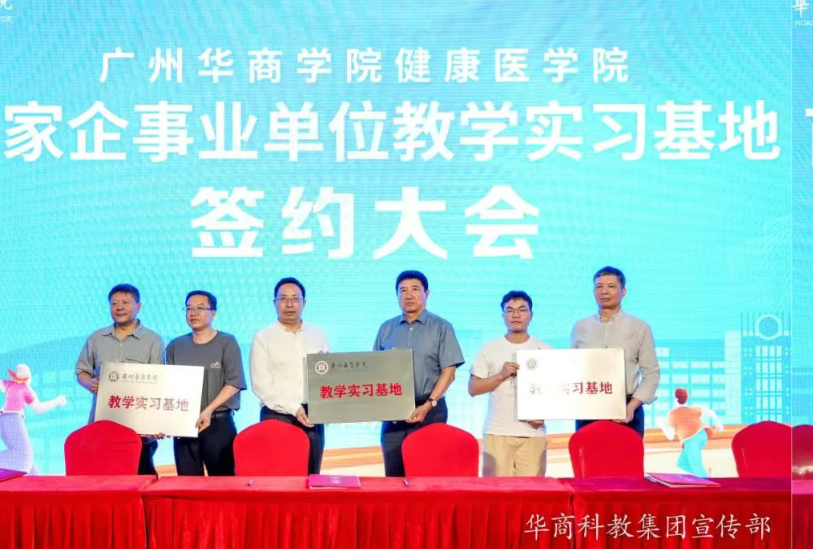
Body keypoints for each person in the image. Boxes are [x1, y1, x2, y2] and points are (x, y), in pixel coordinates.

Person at [373, 270, 464, 477]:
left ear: (426, 293)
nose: (408, 295)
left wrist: (428, 404)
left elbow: (449, 372)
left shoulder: (442, 327)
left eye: (415, 289)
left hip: (430, 410)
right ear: (396, 295)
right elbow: (374, 370)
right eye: (403, 290)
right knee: (394, 476)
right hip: (394, 412)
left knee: (427, 476)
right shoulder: (386, 329)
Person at [75, 283, 164, 475]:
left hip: (140, 429)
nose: (119, 307)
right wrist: (89, 383)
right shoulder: (97, 338)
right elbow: (81, 371)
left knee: (141, 480)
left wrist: (157, 422)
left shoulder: (153, 340)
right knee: (102, 481)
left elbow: (159, 383)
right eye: (114, 303)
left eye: (125, 302)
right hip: (102, 425)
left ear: (138, 306)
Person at [250, 277, 329, 474]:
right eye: (283, 298)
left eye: (295, 298)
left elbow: (326, 373)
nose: (289, 304)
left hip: (312, 415)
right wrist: (294, 408)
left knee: (311, 476)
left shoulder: (318, 334)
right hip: (276, 415)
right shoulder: (263, 337)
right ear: (274, 303)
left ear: (304, 302)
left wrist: (329, 407)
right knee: (279, 479)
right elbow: (260, 384)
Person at [571, 266, 660, 438]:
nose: (604, 291)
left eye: (611, 286)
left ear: (623, 291)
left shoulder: (639, 327)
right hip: (588, 405)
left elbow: (651, 374)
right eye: (599, 286)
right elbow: (572, 369)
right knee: (589, 455)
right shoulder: (580, 327)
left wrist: (631, 406)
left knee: (626, 456)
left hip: (627, 409)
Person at [469, 291, 550, 477]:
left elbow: (556, 392)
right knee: (497, 491)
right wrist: (501, 375)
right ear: (503, 315)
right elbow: (473, 388)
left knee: (533, 492)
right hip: (497, 432)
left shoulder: (545, 350)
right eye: (510, 310)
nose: (516, 315)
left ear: (531, 315)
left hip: (533, 433)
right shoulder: (490, 348)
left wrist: (544, 414)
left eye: (522, 310)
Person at [166, 291, 246, 476]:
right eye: (189, 309)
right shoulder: (175, 346)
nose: (193, 313)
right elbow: (169, 385)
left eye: (200, 308)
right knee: (188, 484)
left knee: (223, 484)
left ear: (213, 313)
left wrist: (208, 410)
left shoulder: (227, 342)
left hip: (218, 424)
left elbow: (234, 382)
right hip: (185, 424)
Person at [0, 364, 67, 474]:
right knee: (24, 455)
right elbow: (39, 408)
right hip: (12, 418)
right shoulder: (25, 389)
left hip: (6, 418)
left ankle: (37, 482)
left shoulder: (10, 385)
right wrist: (57, 401)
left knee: (28, 462)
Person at [657, 387, 724, 477]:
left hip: (691, 439)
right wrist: (718, 423)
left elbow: (670, 436)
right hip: (702, 435)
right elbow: (709, 412)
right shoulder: (692, 409)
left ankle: (705, 477)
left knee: (697, 466)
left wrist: (662, 425)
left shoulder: (672, 414)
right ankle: (703, 475)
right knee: (681, 463)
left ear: (675, 399)